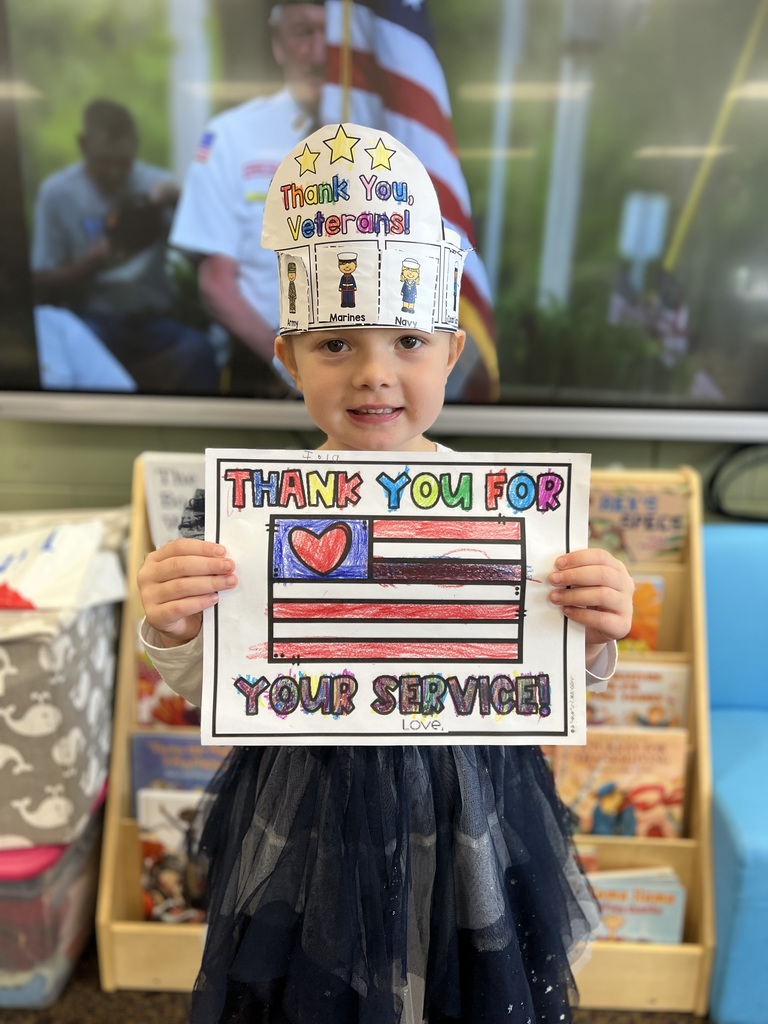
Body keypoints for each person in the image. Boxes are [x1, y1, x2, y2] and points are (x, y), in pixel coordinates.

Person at [137, 123, 635, 1024]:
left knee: (471, 978)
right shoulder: (240, 515)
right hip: (309, 805)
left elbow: (557, 672)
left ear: (452, 351)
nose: (375, 375)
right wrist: (173, 629)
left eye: (408, 340)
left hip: (469, 799)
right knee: (305, 983)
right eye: (335, 345)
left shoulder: (517, 513)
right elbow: (211, 676)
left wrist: (596, 636)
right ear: (286, 357)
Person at [169, 0, 326, 396]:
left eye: (335, 35)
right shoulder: (231, 137)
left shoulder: (393, 139)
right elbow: (216, 284)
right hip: (261, 372)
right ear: (278, 42)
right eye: (304, 32)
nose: (321, 51)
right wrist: (292, 371)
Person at [31, 99, 218, 394]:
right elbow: (38, 282)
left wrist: (178, 200)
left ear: (135, 147)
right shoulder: (57, 194)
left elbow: (206, 249)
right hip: (90, 320)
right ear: (83, 145)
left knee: (200, 350)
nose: (116, 173)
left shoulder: (157, 186)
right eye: (105, 162)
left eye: (124, 162)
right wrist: (96, 261)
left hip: (153, 320)